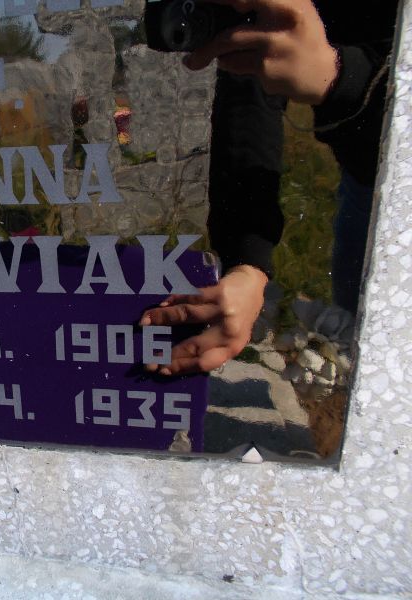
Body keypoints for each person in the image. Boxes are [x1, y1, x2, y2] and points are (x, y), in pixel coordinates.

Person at [141, 0, 398, 376]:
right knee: (370, 362)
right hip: (367, 189)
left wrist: (340, 77)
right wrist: (247, 265)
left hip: (387, 177)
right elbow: (250, 86)